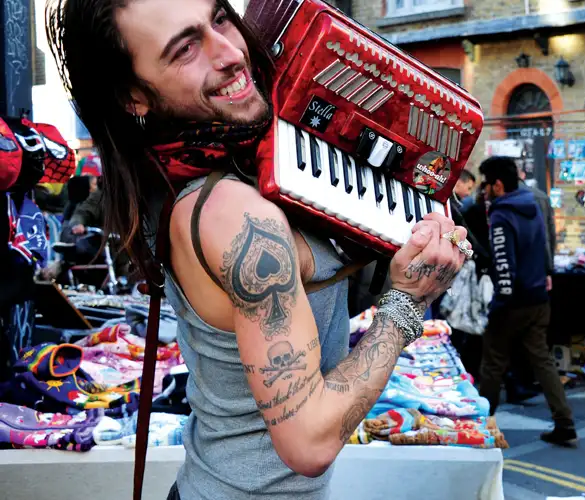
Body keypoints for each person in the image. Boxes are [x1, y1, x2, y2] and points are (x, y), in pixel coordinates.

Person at [47, 2, 468, 499]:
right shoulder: (233, 214)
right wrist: (407, 304)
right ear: (134, 97)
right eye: (185, 49)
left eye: (219, 19)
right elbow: (308, 443)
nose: (230, 52)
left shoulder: (202, 163)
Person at [478, 156, 576, 446]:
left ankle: (482, 425)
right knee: (542, 361)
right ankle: (564, 421)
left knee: (493, 363)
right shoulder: (532, 205)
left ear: (497, 185)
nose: (484, 190)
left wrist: (499, 304)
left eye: (486, 184)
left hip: (513, 302)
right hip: (538, 297)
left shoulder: (501, 215)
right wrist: (546, 274)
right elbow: (543, 245)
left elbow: (503, 263)